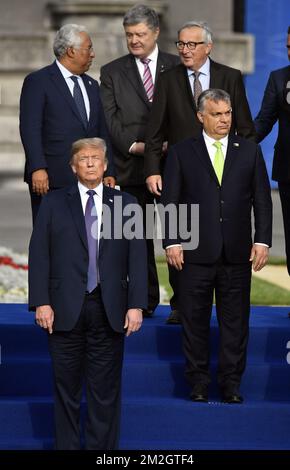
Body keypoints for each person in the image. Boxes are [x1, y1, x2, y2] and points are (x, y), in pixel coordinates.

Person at [28, 137, 147, 450]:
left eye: (96, 158)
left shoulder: (127, 205)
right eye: (84, 158)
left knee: (104, 392)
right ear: (73, 166)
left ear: (106, 165)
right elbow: (39, 254)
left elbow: (137, 258)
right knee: (65, 389)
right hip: (64, 309)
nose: (91, 163)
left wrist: (136, 305)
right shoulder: (53, 202)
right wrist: (41, 301)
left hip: (109, 309)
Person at [160, 89, 272, 403]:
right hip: (194, 253)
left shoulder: (249, 150)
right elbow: (170, 202)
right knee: (194, 322)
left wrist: (262, 240)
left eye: (227, 114)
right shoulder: (183, 152)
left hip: (237, 253)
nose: (224, 120)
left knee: (235, 323)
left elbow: (262, 201)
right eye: (217, 114)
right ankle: (197, 383)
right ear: (200, 117)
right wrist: (172, 241)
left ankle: (231, 384)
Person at [145, 21, 256, 324]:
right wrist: (153, 170)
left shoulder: (229, 77)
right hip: (181, 175)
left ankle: (223, 306)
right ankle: (182, 304)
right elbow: (154, 132)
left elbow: (245, 127)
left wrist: (244, 166)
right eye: (181, 44)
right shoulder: (167, 80)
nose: (185, 50)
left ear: (209, 46)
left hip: (223, 171)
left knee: (218, 238)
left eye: (192, 44)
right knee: (179, 237)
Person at [100, 4, 179, 317]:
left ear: (156, 32)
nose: (134, 40)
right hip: (130, 168)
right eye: (129, 34)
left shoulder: (177, 67)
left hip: (174, 166)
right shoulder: (111, 71)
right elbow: (109, 120)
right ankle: (144, 300)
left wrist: (170, 146)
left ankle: (182, 304)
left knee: (179, 233)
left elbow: (187, 114)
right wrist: (135, 147)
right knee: (138, 238)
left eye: (140, 34)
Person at [20, 24, 115, 223]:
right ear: (71, 51)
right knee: (51, 238)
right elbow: (30, 128)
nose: (93, 54)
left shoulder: (91, 85)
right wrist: (38, 168)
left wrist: (109, 170)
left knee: (86, 239)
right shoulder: (39, 81)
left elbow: (101, 131)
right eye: (88, 48)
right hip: (51, 179)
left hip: (89, 179)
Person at [254, 26, 290, 274]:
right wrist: (234, 144)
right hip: (288, 171)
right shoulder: (278, 78)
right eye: (288, 47)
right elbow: (264, 121)